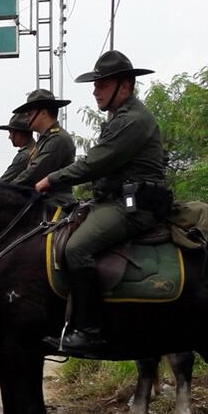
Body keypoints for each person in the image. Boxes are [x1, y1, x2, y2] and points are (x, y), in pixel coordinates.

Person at [35, 50, 168, 356]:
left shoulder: (133, 120)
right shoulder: (119, 118)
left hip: (136, 207)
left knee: (76, 248)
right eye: (96, 84)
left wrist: (51, 179)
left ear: (126, 86)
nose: (95, 90)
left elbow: (95, 163)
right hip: (115, 200)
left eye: (103, 84)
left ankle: (89, 331)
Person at [10, 89, 76, 207]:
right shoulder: (46, 139)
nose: (27, 118)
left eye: (30, 113)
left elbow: (34, 173)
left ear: (44, 113)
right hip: (44, 200)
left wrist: (5, 190)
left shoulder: (57, 139)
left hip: (56, 204)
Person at [0, 112, 35, 183]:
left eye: (11, 132)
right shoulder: (37, 148)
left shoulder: (24, 156)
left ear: (19, 134)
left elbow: (4, 181)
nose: (9, 137)